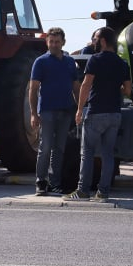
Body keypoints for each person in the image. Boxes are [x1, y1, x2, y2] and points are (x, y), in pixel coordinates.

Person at [64, 26, 131, 202]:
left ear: (102, 41)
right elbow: (128, 90)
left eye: (95, 39)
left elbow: (86, 85)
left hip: (96, 112)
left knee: (87, 153)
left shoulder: (95, 60)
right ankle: (103, 192)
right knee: (108, 154)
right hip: (114, 114)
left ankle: (83, 191)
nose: (93, 42)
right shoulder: (122, 63)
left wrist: (79, 109)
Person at [29, 27, 81, 196]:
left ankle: (55, 182)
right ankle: (41, 181)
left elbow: (76, 87)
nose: (54, 44)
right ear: (47, 42)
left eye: (57, 41)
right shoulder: (41, 62)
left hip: (66, 111)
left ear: (63, 42)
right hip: (47, 111)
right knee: (45, 147)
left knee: (59, 148)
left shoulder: (69, 62)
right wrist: (33, 114)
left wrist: (80, 108)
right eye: (51, 41)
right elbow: (33, 88)